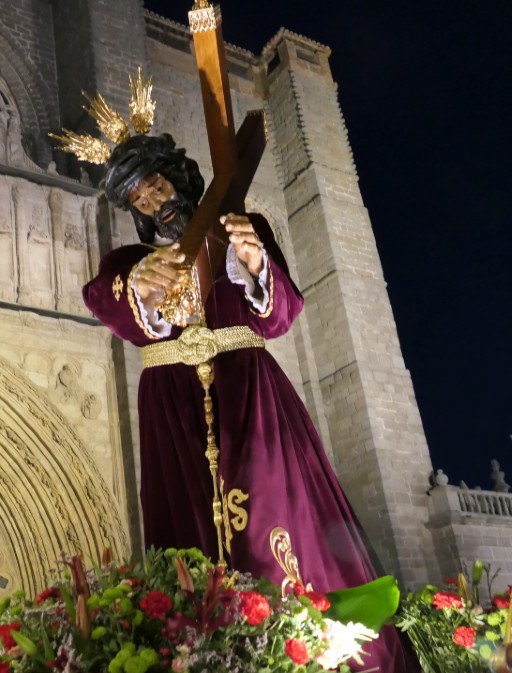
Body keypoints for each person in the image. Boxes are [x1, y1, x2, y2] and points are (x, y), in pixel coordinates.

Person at [81, 133, 417, 672]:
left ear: (179, 177)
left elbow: (281, 318)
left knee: (269, 513)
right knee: (188, 531)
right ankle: (205, 651)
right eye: (139, 200)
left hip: (248, 394)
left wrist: (256, 265)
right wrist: (137, 284)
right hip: (172, 411)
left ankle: (294, 642)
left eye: (157, 186)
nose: (153, 203)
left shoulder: (241, 230)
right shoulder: (131, 261)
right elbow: (101, 296)